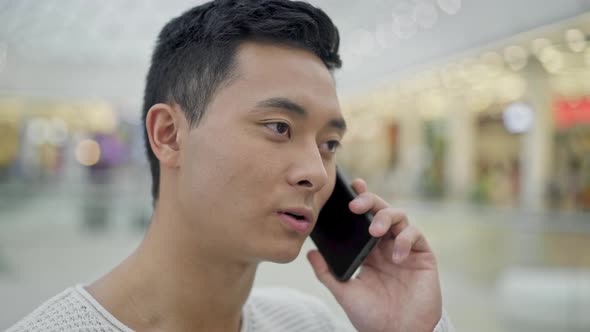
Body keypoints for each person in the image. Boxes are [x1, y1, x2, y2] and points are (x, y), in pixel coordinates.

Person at [6, 0, 454, 331]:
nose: (317, 173)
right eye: (279, 127)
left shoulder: (306, 323)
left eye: (330, 143)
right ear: (169, 135)